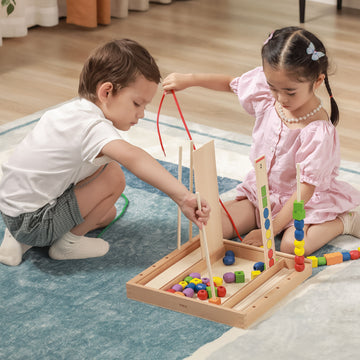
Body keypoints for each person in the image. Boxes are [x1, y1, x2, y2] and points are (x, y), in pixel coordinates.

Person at [0, 39, 210, 266]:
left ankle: (17, 240)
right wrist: (183, 196)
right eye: (137, 103)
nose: (141, 114)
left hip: (12, 213)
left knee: (107, 213)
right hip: (35, 223)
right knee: (112, 175)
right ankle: (66, 245)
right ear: (106, 91)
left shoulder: (69, 112)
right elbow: (133, 157)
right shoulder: (92, 128)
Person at [162, 26, 360, 256]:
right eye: (272, 87)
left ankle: (345, 220)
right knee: (214, 226)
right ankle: (264, 220)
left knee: (291, 247)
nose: (280, 97)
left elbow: (304, 191)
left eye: (290, 91)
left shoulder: (317, 131)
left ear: (317, 82)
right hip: (263, 192)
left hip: (303, 202)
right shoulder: (268, 92)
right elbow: (230, 83)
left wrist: (269, 229)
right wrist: (189, 80)